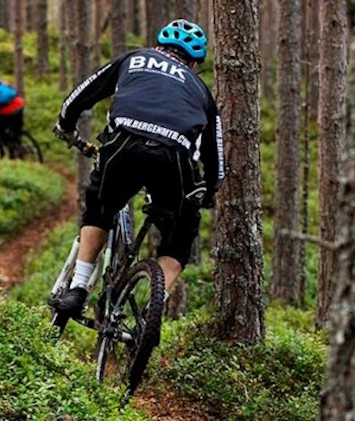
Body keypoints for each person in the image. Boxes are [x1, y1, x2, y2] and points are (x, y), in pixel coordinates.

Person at [48, 19, 224, 328]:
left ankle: (78, 288)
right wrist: (209, 191)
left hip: (123, 147)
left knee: (99, 210)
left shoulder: (134, 59)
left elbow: (81, 95)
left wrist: (66, 126)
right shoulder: (202, 90)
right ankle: (151, 313)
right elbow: (216, 158)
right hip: (175, 159)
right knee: (181, 235)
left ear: (158, 44)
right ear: (195, 62)